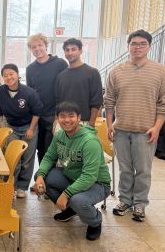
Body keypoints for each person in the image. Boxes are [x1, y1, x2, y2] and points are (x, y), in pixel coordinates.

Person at [104, 29, 165, 222]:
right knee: (125, 169)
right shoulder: (117, 71)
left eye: (142, 44)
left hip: (146, 132)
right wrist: (110, 125)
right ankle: (125, 200)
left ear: (149, 46)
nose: (138, 47)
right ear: (128, 46)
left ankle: (140, 203)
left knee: (143, 170)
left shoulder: (161, 71)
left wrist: (157, 128)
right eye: (134, 43)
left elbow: (164, 104)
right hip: (121, 130)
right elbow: (109, 101)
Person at [33, 101, 111, 241]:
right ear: (57, 118)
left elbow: (89, 176)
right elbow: (49, 157)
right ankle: (72, 210)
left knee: (77, 200)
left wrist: (66, 193)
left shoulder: (89, 141)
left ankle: (95, 221)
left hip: (97, 183)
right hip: (72, 176)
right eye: (62, 116)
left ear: (79, 117)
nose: (67, 120)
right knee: (41, 177)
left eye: (71, 116)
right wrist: (40, 176)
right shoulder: (60, 135)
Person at [0, 64, 43, 198]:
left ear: (17, 74)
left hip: (29, 126)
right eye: (5, 75)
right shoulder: (0, 91)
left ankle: (22, 187)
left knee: (27, 159)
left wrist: (31, 129)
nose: (9, 77)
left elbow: (37, 111)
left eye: (11, 74)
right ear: (2, 78)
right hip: (11, 127)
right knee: (14, 158)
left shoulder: (29, 92)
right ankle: (12, 186)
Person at [26, 33, 67, 163]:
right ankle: (42, 178)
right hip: (38, 116)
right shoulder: (30, 69)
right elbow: (31, 93)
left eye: (40, 45)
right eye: (33, 47)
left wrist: (60, 113)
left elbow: (66, 88)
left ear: (46, 46)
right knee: (40, 148)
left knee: (53, 149)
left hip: (55, 114)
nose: (37, 49)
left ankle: (51, 180)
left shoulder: (60, 63)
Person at [55, 38, 103, 127]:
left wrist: (91, 124)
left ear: (80, 51)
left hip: (83, 122)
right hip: (63, 122)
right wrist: (56, 121)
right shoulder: (61, 76)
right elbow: (58, 101)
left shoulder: (92, 73)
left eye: (73, 49)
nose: (70, 53)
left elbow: (96, 101)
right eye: (67, 50)